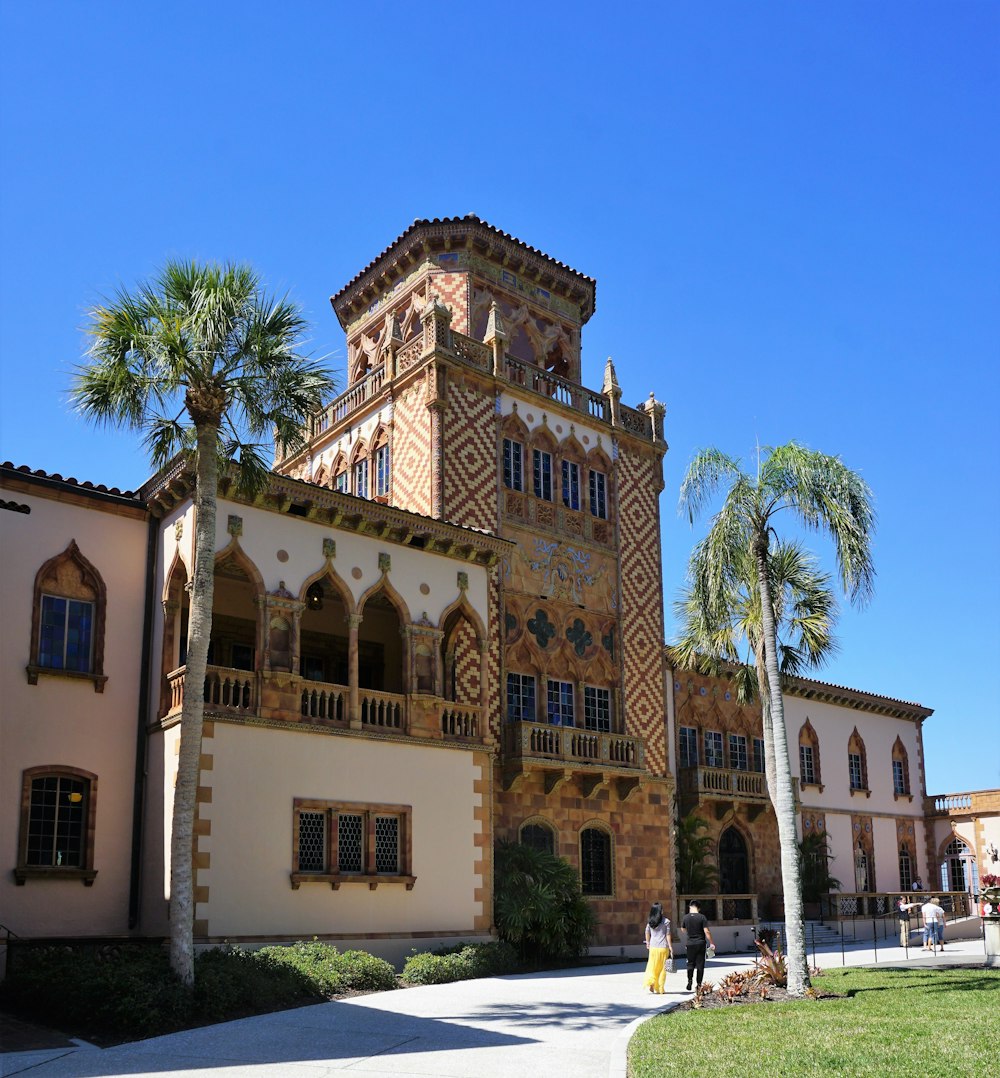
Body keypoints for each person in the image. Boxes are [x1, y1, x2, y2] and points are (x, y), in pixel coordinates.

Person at [681, 900, 714, 992]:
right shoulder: (702, 917)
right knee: (700, 965)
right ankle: (699, 985)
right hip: (700, 943)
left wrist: (689, 931)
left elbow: (683, 930)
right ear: (698, 908)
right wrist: (711, 942)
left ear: (690, 907)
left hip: (690, 943)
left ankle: (689, 980)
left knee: (690, 963)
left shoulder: (685, 917)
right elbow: (706, 931)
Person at [642, 901, 673, 994]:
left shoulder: (650, 921)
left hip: (653, 947)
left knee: (652, 966)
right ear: (661, 911)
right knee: (662, 968)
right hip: (663, 947)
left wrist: (647, 942)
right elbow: (668, 935)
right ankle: (660, 988)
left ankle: (651, 982)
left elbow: (647, 932)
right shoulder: (666, 921)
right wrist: (671, 947)